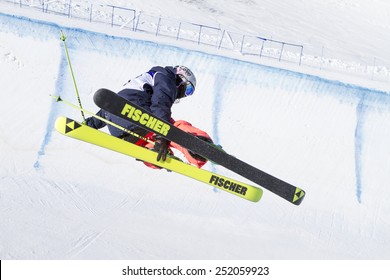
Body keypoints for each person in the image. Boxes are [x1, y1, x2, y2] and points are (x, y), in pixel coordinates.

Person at [85, 65, 213, 169]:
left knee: (150, 142)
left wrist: (89, 124)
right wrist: (162, 136)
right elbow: (160, 104)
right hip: (137, 114)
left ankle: (153, 153)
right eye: (188, 90)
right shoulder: (166, 77)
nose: (184, 95)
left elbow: (109, 109)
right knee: (172, 128)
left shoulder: (136, 83)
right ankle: (198, 143)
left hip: (118, 130)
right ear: (181, 80)